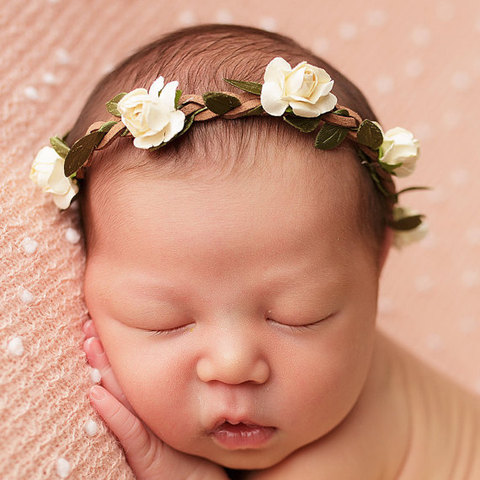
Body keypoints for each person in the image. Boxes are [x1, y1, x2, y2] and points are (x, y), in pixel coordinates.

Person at [30, 23, 480, 480]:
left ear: (377, 264)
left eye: (299, 315)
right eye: (162, 319)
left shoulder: (338, 456)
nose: (233, 364)